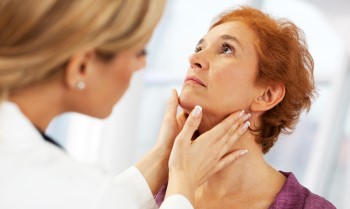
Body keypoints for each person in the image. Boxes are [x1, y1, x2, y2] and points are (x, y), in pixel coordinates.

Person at [0, 0, 252, 209]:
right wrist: (183, 180)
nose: (141, 65)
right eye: (140, 51)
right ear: (82, 66)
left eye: (226, 49)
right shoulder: (65, 186)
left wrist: (164, 156)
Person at [155, 6, 336, 209]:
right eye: (199, 48)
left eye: (226, 49)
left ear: (267, 95)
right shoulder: (153, 196)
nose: (193, 59)